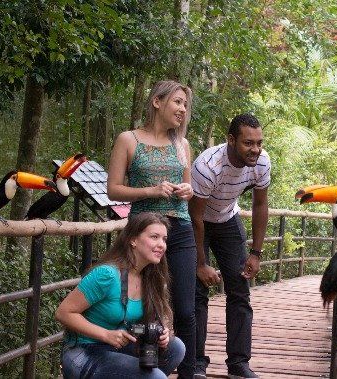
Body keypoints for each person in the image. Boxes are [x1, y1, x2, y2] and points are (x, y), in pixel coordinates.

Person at [106, 80, 198, 376]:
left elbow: (190, 188)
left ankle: (188, 372)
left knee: (185, 309)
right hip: (142, 231)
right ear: (157, 102)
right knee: (141, 306)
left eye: (185, 105)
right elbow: (113, 190)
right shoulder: (128, 139)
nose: (183, 109)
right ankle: (137, 370)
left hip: (180, 229)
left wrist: (187, 190)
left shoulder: (182, 144)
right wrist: (151, 191)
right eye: (178, 102)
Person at [56, 212, 186, 378]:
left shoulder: (149, 277)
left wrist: (159, 332)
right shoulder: (107, 275)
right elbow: (63, 313)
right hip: (83, 351)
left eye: (164, 239)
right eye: (154, 237)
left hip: (119, 346)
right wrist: (106, 334)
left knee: (176, 348)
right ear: (133, 240)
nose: (162, 244)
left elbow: (133, 326)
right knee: (155, 377)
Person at [189, 113, 270, 379]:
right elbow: (196, 217)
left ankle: (238, 363)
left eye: (258, 143)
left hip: (228, 219)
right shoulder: (207, 166)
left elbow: (260, 205)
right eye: (248, 143)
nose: (255, 149)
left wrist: (256, 253)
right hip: (197, 221)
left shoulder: (262, 163)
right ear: (231, 140)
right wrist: (201, 264)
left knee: (240, 290)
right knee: (197, 292)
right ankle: (196, 363)